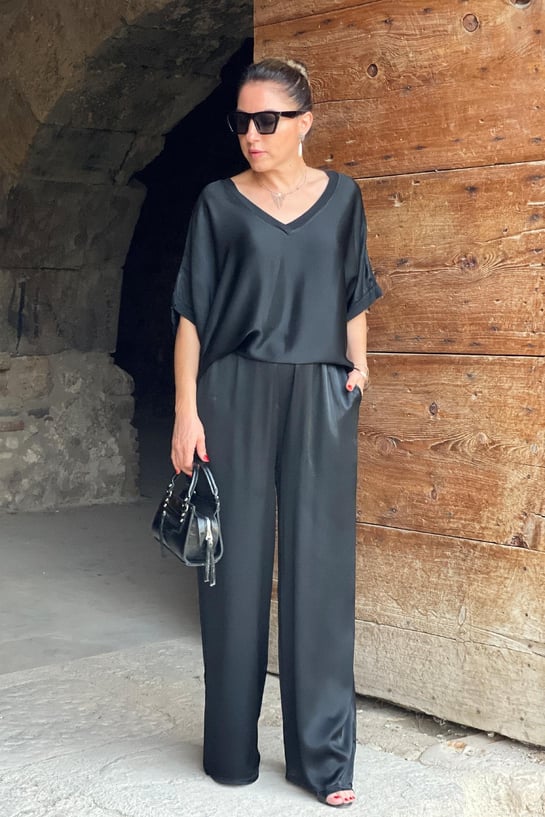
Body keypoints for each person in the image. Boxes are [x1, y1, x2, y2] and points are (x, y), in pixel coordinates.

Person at [170, 57, 382, 808]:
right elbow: (192, 312)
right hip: (232, 388)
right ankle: (230, 750)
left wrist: (358, 365)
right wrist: (186, 410)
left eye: (267, 120)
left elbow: (354, 288)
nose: (252, 135)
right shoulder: (217, 203)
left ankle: (323, 761)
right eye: (241, 122)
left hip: (321, 388)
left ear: (304, 122)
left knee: (320, 569)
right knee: (230, 569)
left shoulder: (343, 197)